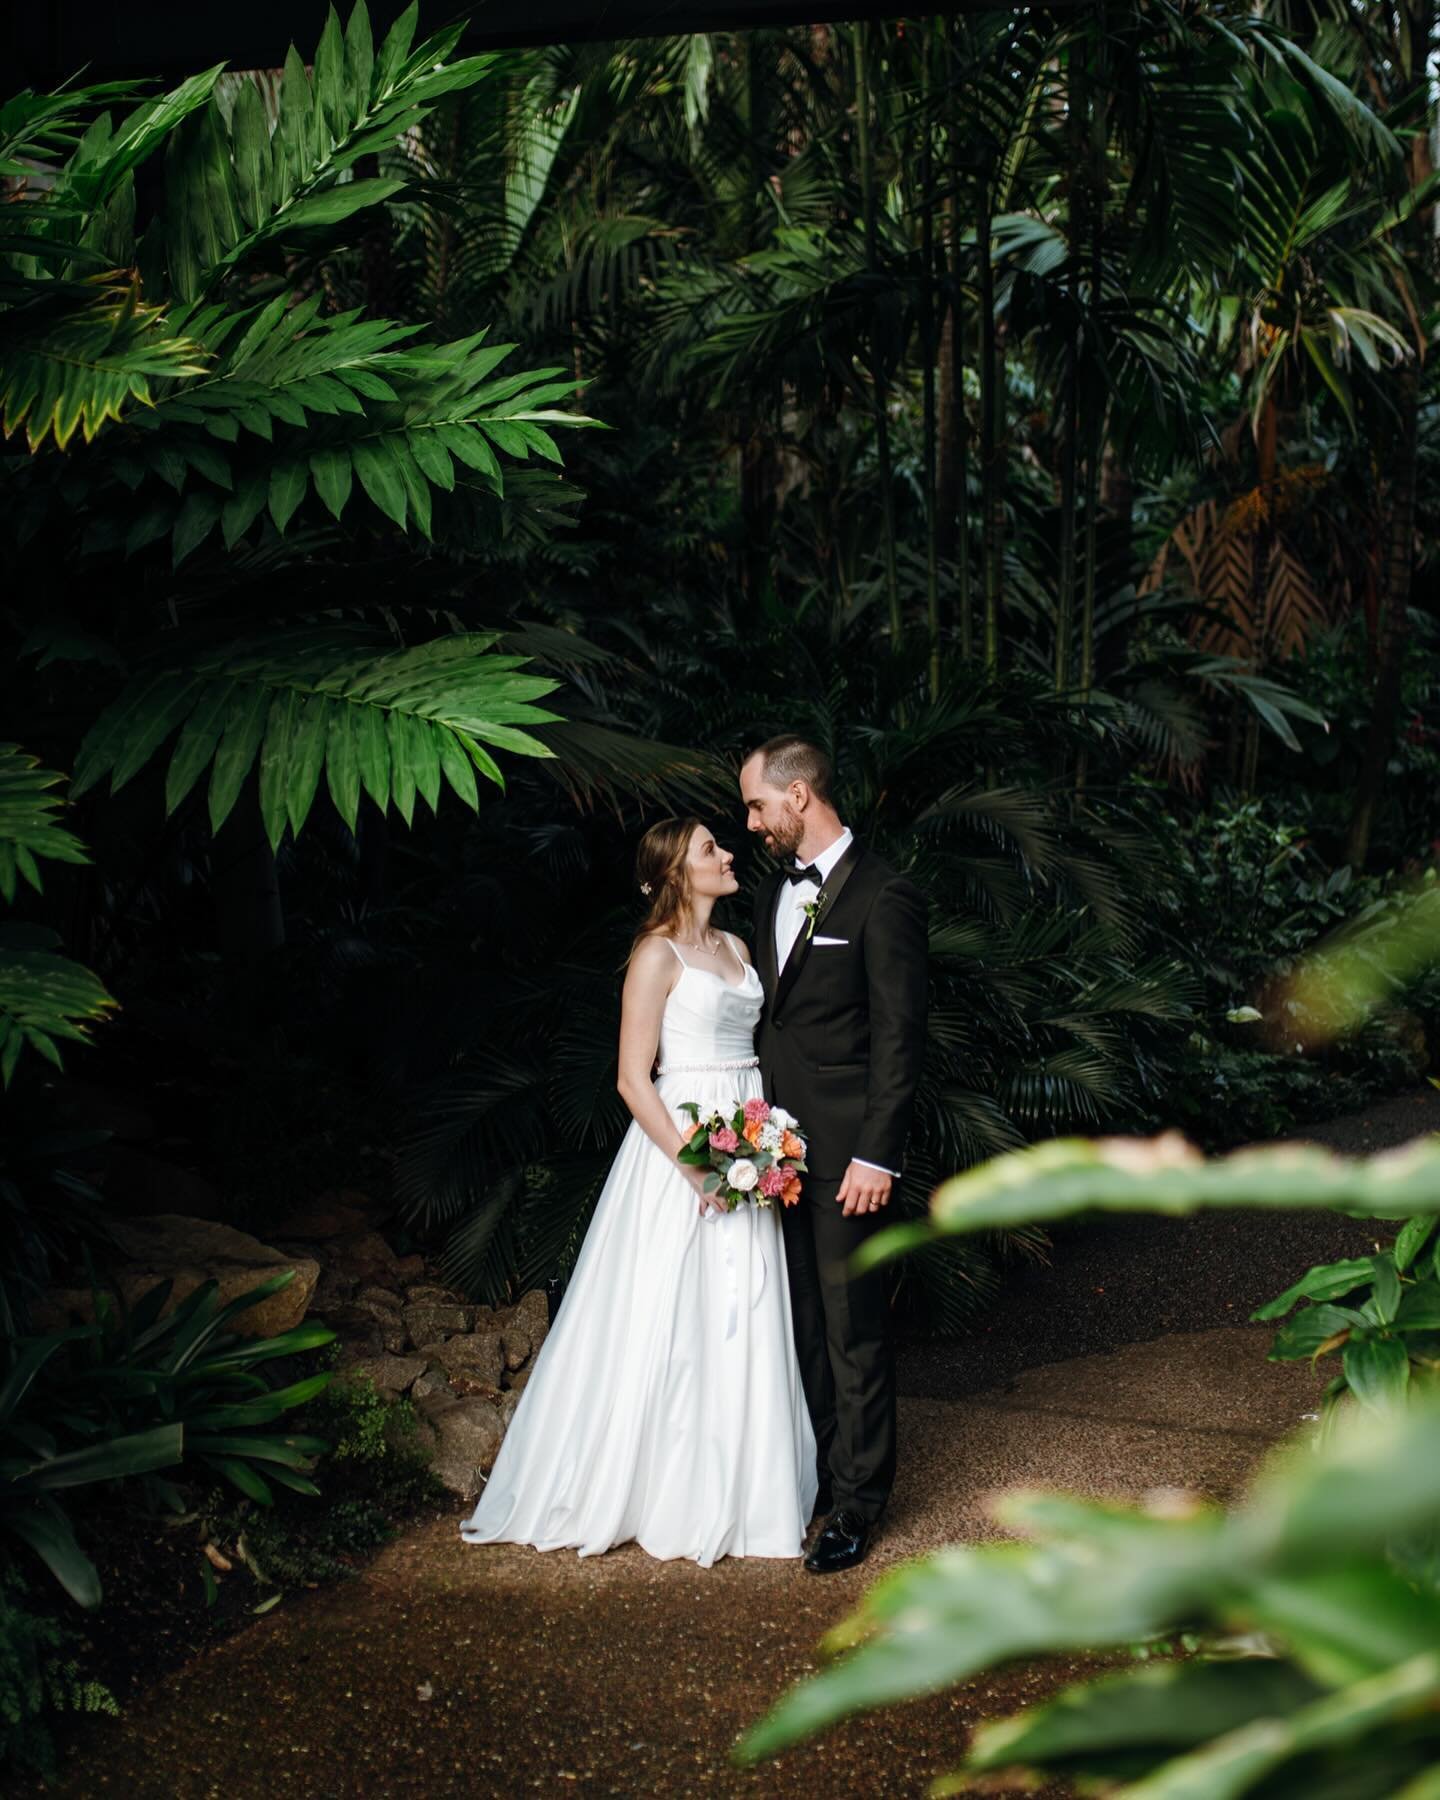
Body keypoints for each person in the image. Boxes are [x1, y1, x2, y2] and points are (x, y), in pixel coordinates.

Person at [458, 816, 817, 1566]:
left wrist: (764, 1145)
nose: (726, 855)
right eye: (710, 849)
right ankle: (652, 1485)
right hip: (680, 1140)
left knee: (740, 1311)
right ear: (677, 873)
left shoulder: (739, 949)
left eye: (720, 844)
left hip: (746, 1131)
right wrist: (696, 1166)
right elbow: (630, 1076)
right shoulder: (655, 956)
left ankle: (742, 1491)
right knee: (667, 1313)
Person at [739, 735, 928, 1573]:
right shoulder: (772, 894)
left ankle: (859, 1504)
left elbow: (898, 1037)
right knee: (805, 1328)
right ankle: (819, 1480)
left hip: (850, 1155)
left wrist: (876, 1156)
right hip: (775, 1150)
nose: (751, 822)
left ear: (800, 796)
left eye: (757, 804)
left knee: (854, 1331)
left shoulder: (885, 895)